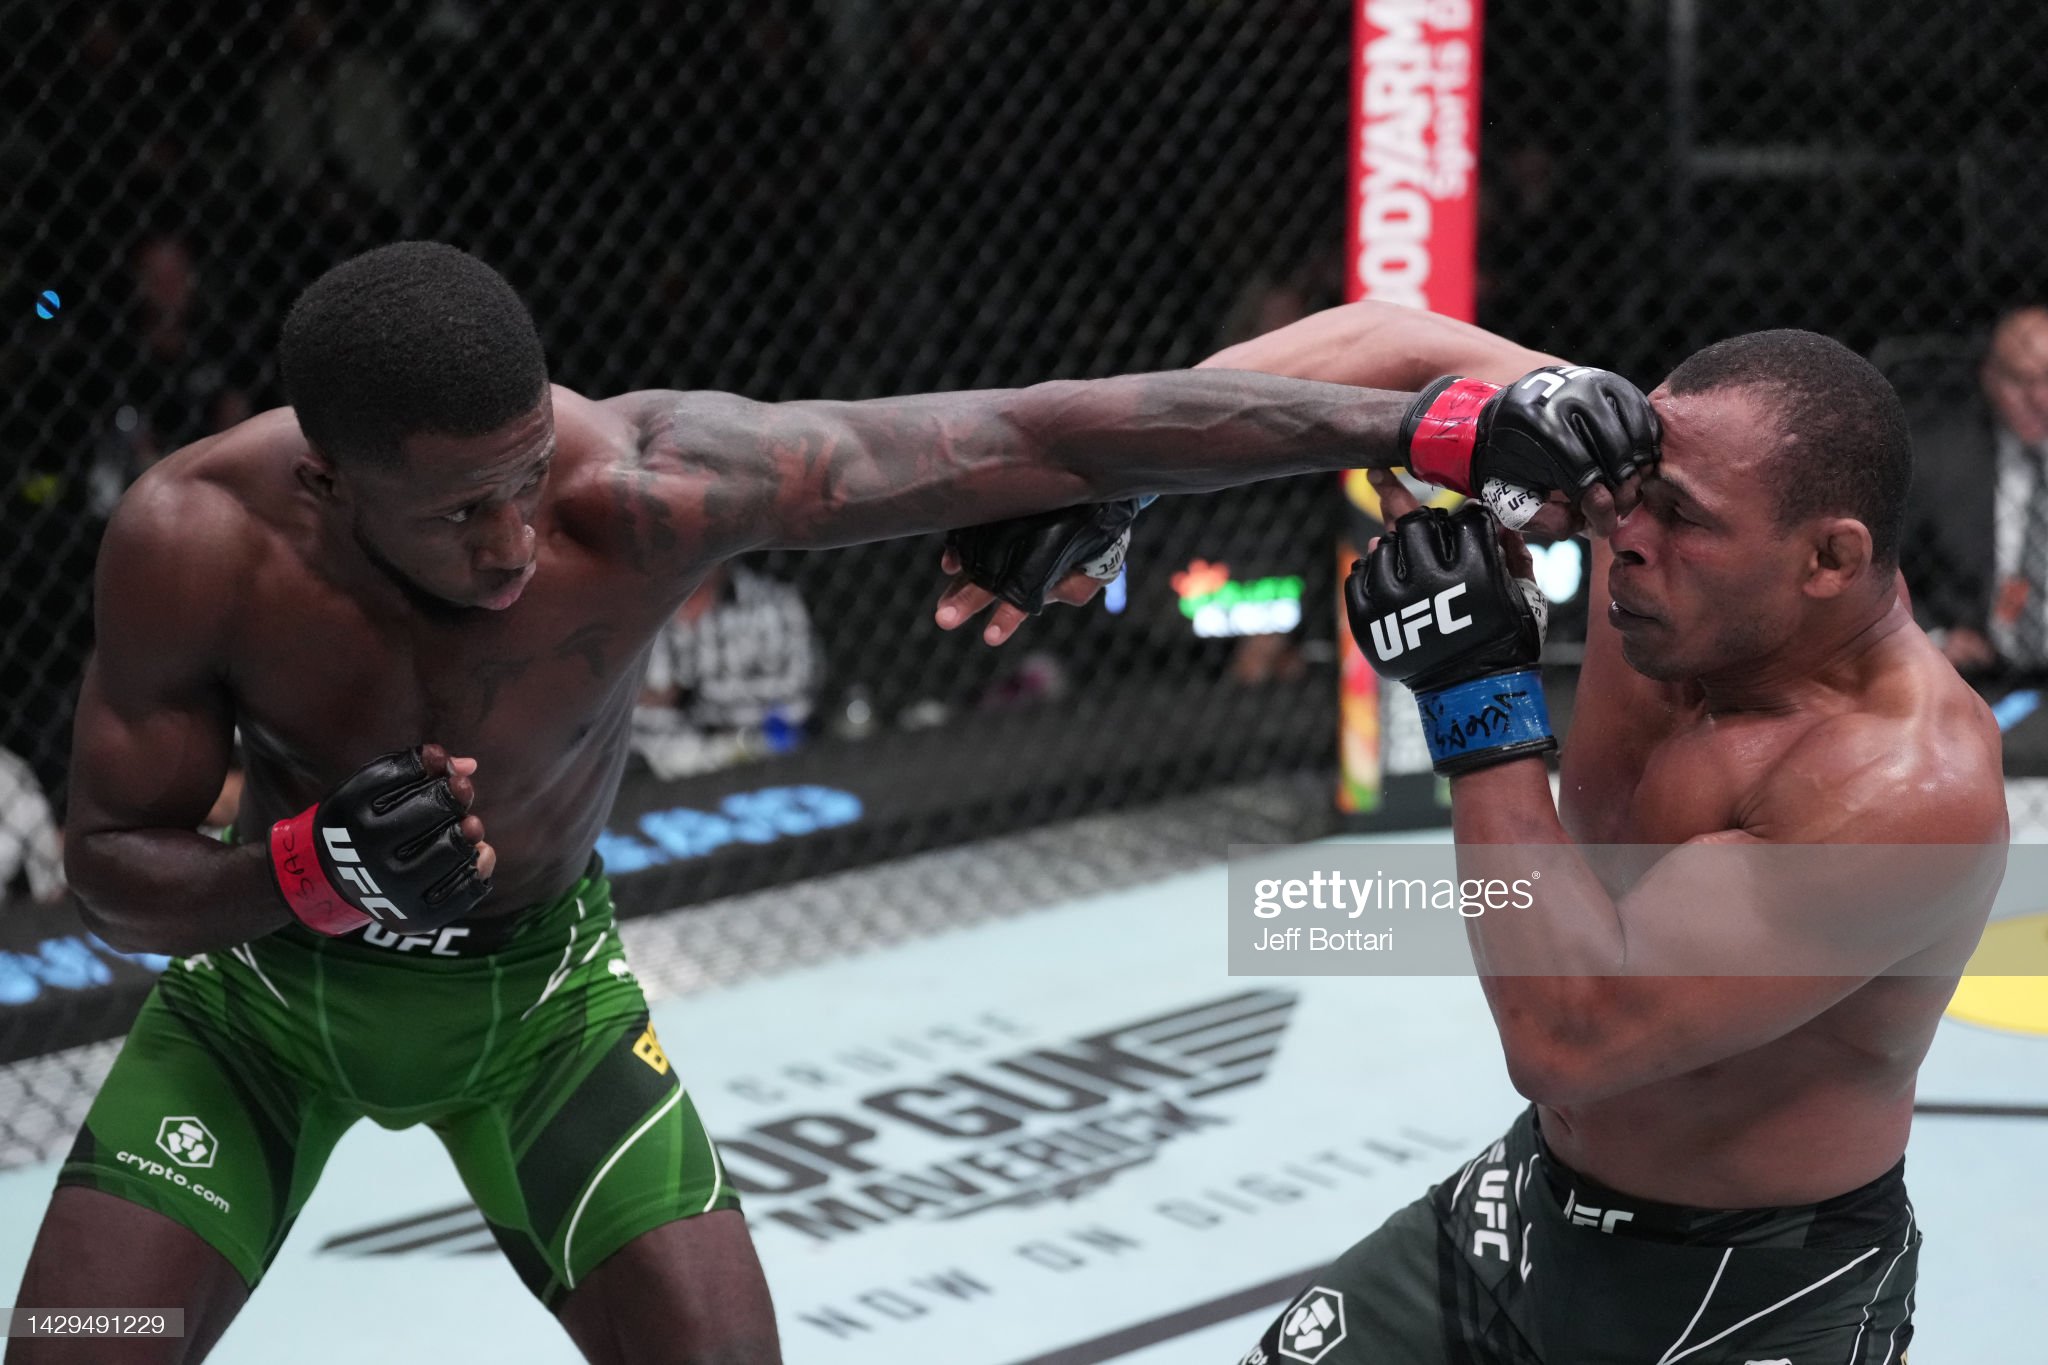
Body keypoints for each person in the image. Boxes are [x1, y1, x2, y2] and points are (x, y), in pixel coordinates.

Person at [9, 242, 1632, 1365]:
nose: (512, 541)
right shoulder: (195, 539)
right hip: (261, 1017)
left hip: (538, 1010)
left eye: (525, 476)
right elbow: (112, 879)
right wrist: (312, 868)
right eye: (457, 513)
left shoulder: (644, 488)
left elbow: (1030, 432)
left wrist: (1426, 420)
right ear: (326, 480)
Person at [1205, 302, 2007, 1362]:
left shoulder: (1901, 787)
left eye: (1676, 517)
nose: (1622, 536)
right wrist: (1105, 490)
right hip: (1525, 1209)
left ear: (1827, 558)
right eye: (1629, 495)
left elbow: (1566, 1040)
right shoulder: (1663, 502)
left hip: (1749, 1292)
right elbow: (1381, 344)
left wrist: (1473, 690)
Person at [1897, 304, 2048, 675]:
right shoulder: (1940, 460)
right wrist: (1934, 634)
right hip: (1981, 673)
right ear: (1989, 378)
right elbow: (1883, 563)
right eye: (2021, 381)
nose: (2040, 399)